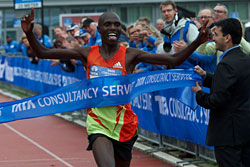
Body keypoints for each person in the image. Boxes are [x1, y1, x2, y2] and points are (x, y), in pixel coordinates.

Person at [21, 8, 209, 167]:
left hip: (124, 125)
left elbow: (173, 59)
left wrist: (196, 42)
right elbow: (44, 53)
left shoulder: (130, 55)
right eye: (108, 25)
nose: (113, 28)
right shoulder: (87, 53)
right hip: (98, 122)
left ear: (121, 30)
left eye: (117, 25)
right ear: (100, 30)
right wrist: (29, 33)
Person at [192, 18, 250, 167]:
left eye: (216, 34)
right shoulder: (244, 59)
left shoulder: (226, 64)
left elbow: (216, 100)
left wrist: (199, 93)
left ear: (227, 37)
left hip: (228, 135)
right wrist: (206, 76)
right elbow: (233, 86)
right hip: (244, 131)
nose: (213, 39)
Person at [159, 0, 199, 69]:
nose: (166, 13)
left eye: (169, 10)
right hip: (172, 72)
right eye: (164, 11)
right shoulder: (164, 30)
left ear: (175, 10)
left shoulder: (188, 26)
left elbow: (199, 51)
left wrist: (186, 49)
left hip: (189, 72)